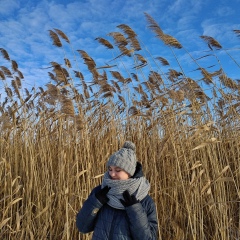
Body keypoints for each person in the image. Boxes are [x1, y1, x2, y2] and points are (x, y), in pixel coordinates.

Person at [76, 141, 158, 239]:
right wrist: (95, 203)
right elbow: (82, 227)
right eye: (110, 169)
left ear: (130, 172)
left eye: (118, 170)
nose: (112, 174)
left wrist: (134, 210)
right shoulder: (100, 192)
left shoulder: (144, 201)